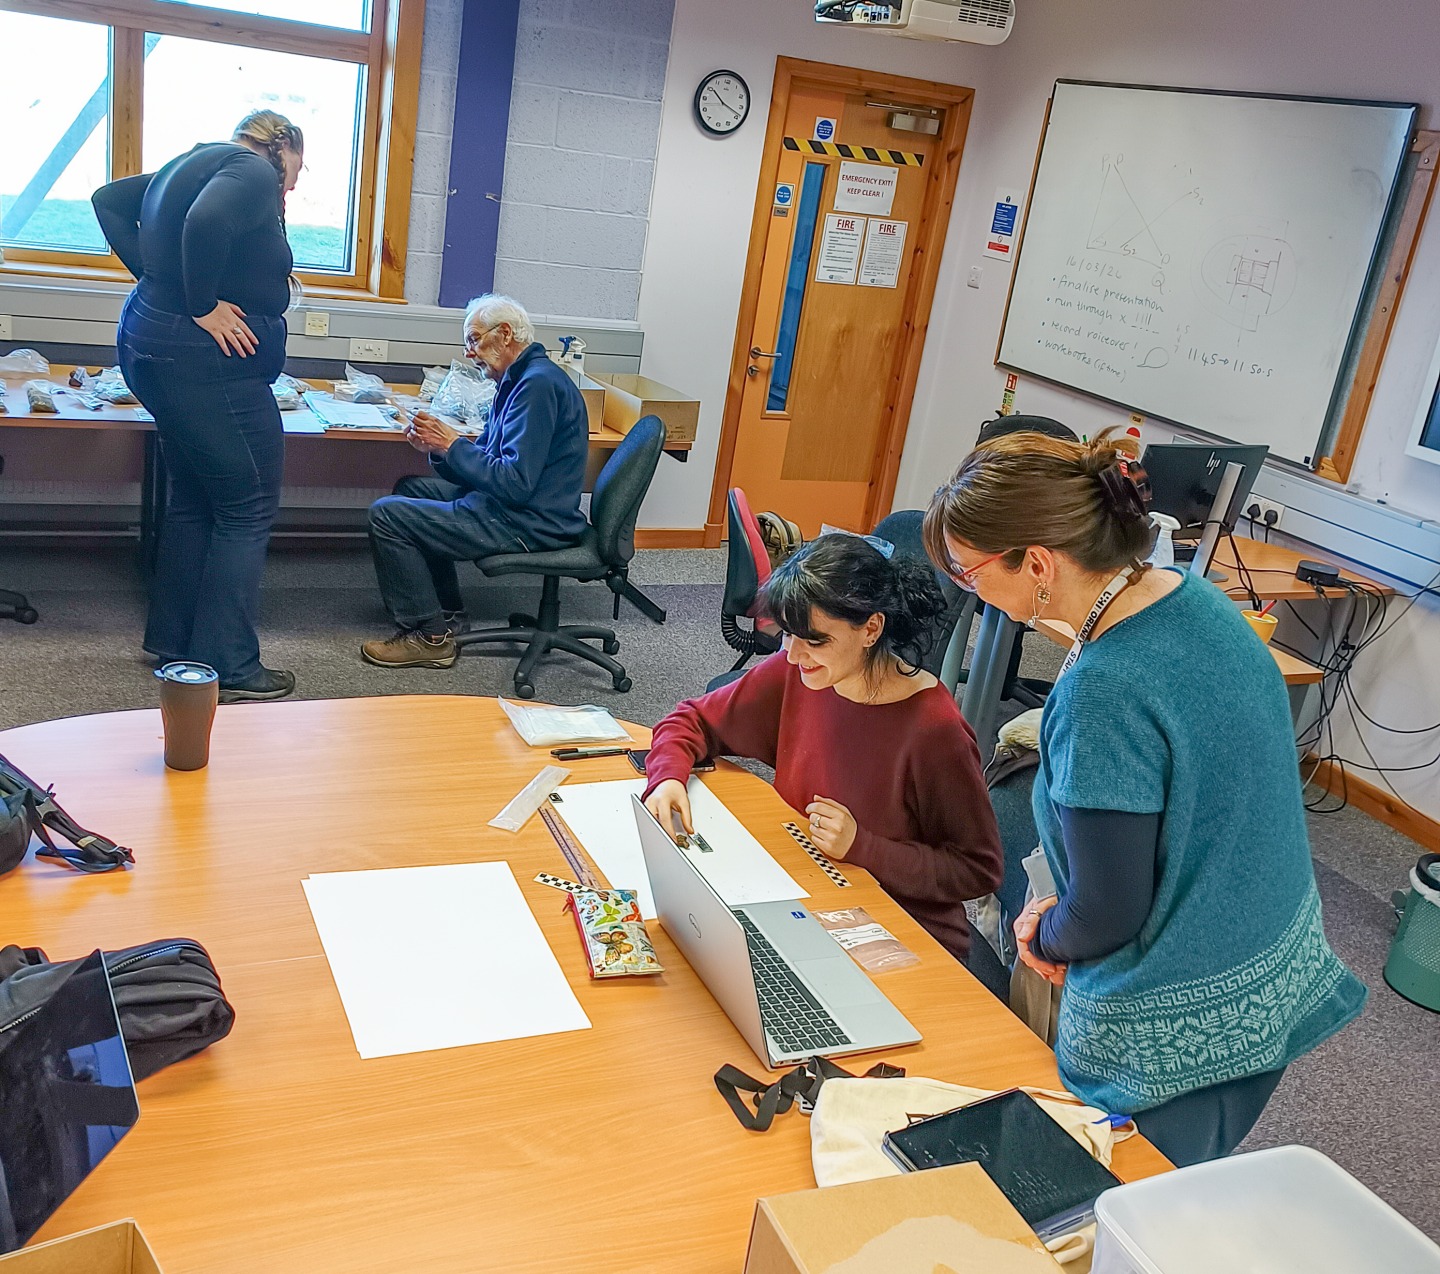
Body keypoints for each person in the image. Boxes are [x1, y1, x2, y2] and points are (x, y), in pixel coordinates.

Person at [923, 428, 1366, 1166]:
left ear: (1038, 564)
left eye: (970, 574)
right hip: (1268, 964)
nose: (970, 592)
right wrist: (1070, 909)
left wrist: (1045, 936)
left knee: (1109, 1195)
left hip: (1187, 1027)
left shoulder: (1104, 690)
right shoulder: (1192, 598)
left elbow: (1108, 913)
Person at [643, 532, 1003, 963]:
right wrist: (667, 778)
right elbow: (692, 719)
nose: (795, 655)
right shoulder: (800, 672)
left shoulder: (934, 730)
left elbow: (976, 869)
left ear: (871, 629)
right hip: (810, 892)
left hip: (899, 927)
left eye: (816, 641)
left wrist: (862, 846)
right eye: (788, 635)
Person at [92, 110, 304, 702]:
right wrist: (200, 303)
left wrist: (157, 279)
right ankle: (230, 663)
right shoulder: (253, 172)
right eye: (299, 168)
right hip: (203, 363)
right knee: (247, 505)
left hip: (154, 344)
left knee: (194, 494)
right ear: (281, 147)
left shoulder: (195, 160)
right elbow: (206, 221)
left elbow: (109, 201)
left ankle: (177, 643)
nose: (294, 183)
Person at [361, 295, 588, 669]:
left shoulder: (536, 386)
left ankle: (429, 637)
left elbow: (514, 483)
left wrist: (452, 444)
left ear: (505, 334)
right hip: (515, 506)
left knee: (386, 515)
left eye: (474, 340)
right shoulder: (517, 380)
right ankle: (447, 613)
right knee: (410, 489)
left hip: (528, 522)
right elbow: (485, 461)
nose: (469, 353)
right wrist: (439, 449)